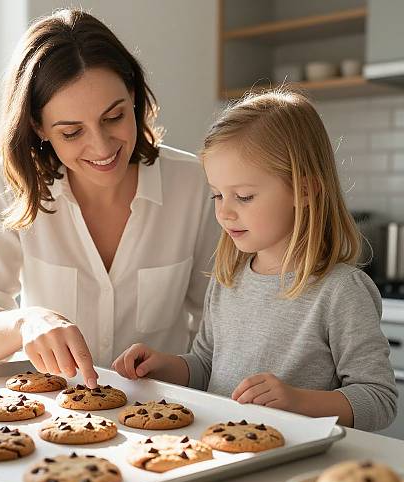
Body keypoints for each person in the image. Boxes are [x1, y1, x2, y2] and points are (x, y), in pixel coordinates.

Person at [0, 9, 218, 390]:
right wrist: (26, 322)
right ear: (39, 127)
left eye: (114, 117)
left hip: (168, 414)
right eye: (72, 132)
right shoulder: (10, 184)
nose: (102, 146)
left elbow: (221, 318)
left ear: (135, 98)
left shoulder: (194, 183)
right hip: (53, 415)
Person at [113, 89, 397, 432]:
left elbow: (379, 400)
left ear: (304, 190)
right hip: (224, 449)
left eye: (244, 197)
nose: (224, 211)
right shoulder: (229, 278)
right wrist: (163, 366)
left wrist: (296, 401)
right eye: (217, 194)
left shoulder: (340, 291)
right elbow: (206, 365)